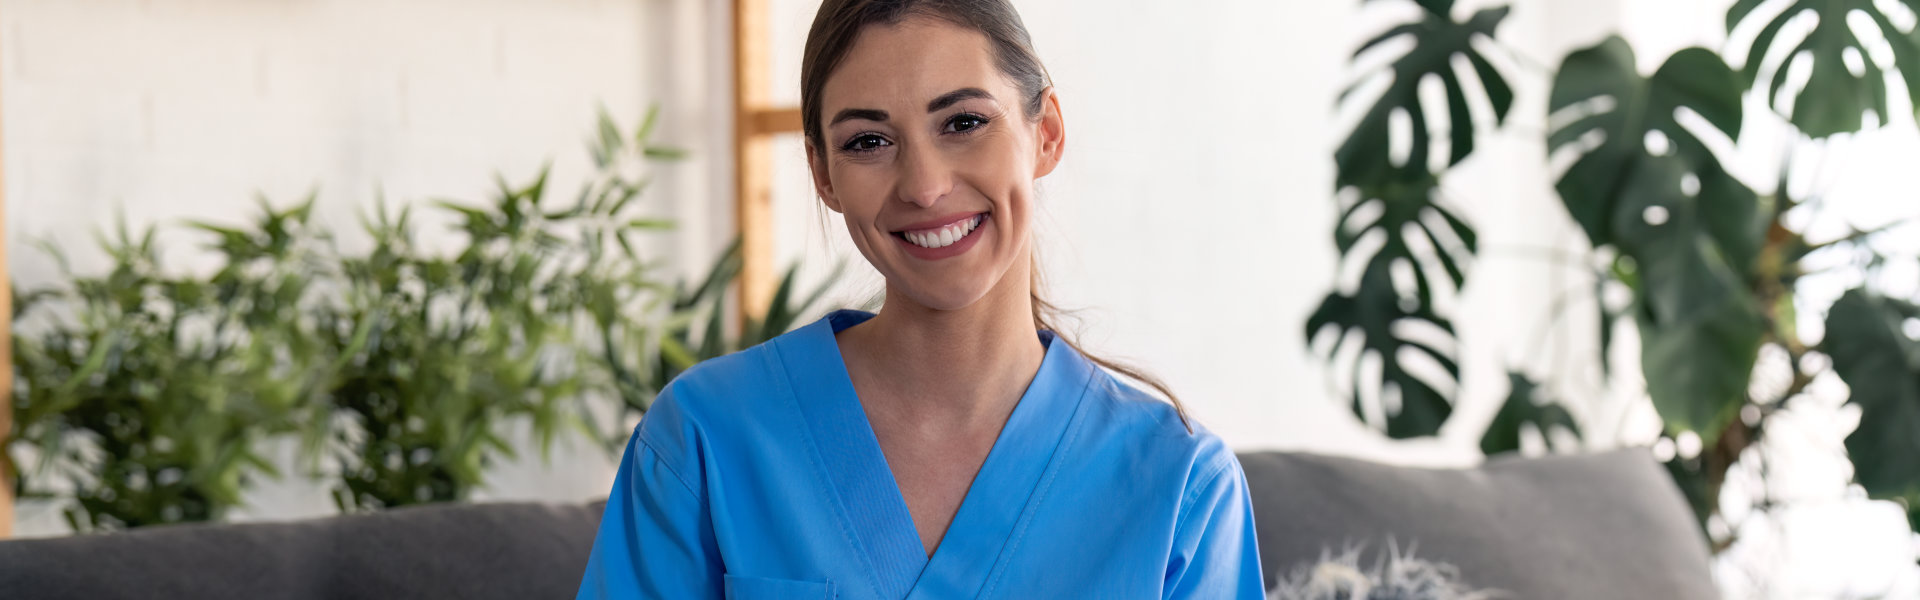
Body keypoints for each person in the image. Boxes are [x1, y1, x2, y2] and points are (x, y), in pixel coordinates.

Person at [576, 0, 1264, 597]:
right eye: (868, 141)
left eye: (963, 122)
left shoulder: (1181, 488)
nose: (925, 186)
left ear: (1046, 132)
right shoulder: (704, 440)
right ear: (823, 174)